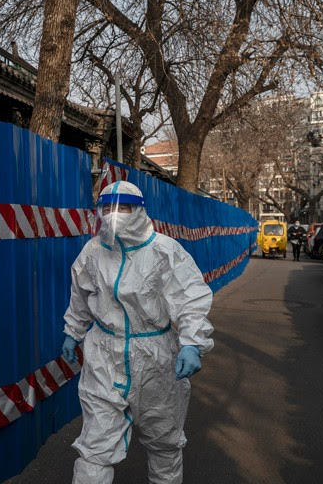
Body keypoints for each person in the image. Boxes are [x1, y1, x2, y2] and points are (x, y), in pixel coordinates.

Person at [61, 181, 214, 484]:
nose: (112, 215)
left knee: (164, 440)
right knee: (95, 444)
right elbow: (80, 295)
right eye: (106, 208)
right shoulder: (93, 251)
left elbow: (190, 297)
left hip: (155, 356)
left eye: (122, 208)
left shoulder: (163, 250)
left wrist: (191, 343)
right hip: (104, 355)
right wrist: (73, 330)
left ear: (139, 211)